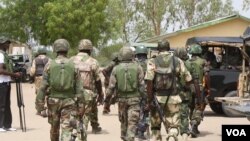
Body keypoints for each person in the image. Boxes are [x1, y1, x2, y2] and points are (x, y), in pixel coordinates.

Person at [35, 39, 84, 141]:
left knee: (54, 128)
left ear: (55, 50)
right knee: (67, 129)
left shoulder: (49, 65)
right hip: (69, 101)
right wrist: (81, 106)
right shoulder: (73, 65)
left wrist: (40, 107)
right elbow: (79, 88)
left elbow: (43, 87)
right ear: (67, 49)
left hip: (53, 102)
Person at [145, 41, 192, 141]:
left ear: (158, 49)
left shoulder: (152, 61)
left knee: (155, 127)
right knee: (174, 126)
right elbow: (188, 79)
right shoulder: (177, 61)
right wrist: (183, 87)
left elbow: (149, 82)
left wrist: (149, 100)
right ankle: (171, 137)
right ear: (169, 48)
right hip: (174, 99)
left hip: (157, 99)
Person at [106, 46, 145, 141]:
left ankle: (125, 137)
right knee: (132, 123)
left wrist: (107, 100)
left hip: (121, 100)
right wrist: (144, 98)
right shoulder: (138, 67)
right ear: (132, 55)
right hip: (135, 100)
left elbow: (111, 87)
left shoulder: (116, 69)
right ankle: (129, 137)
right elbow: (142, 86)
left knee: (123, 123)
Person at [70, 39, 104, 134]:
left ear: (79, 48)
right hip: (88, 94)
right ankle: (82, 132)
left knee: (74, 114)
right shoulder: (93, 61)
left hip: (73, 93)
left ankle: (74, 131)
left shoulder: (71, 60)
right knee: (85, 115)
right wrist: (100, 94)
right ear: (90, 50)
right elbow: (98, 80)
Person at [185, 44, 210, 138]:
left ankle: (192, 125)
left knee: (191, 107)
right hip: (199, 88)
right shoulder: (203, 62)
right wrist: (208, 87)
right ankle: (194, 125)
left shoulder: (186, 62)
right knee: (199, 106)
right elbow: (207, 76)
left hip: (188, 87)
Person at [0, 37, 21, 132]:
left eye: (8, 43)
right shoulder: (0, 55)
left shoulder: (5, 55)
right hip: (1, 83)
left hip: (6, 82)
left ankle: (7, 125)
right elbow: (0, 70)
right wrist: (14, 74)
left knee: (7, 104)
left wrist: (14, 74)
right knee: (2, 105)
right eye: (5, 43)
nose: (7, 45)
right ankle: (1, 126)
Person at [174, 47, 192, 141]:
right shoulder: (188, 64)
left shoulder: (173, 63)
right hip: (184, 93)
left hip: (173, 93)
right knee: (184, 114)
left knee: (173, 114)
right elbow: (190, 79)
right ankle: (184, 132)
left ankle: (173, 132)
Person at [134, 45, 149, 139]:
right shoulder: (150, 63)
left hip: (134, 92)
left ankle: (135, 129)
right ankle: (141, 132)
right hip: (147, 92)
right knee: (146, 113)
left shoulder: (133, 64)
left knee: (135, 111)